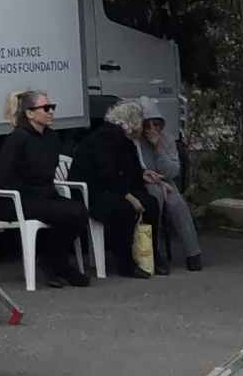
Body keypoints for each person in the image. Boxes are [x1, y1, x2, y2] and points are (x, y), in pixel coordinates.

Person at [0, 88, 91, 288]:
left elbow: (47, 173)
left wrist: (45, 191)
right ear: (30, 113)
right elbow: (5, 178)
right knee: (65, 213)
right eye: (45, 108)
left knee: (80, 211)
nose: (51, 111)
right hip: (17, 199)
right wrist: (34, 190)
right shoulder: (18, 138)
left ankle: (54, 261)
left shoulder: (52, 137)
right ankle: (56, 264)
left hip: (43, 195)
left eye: (51, 107)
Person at [71, 98, 157, 279]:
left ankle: (152, 253)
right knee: (124, 209)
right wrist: (129, 196)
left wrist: (142, 174)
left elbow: (129, 168)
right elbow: (106, 172)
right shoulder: (104, 138)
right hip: (93, 191)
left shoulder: (126, 140)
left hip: (112, 187)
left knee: (151, 203)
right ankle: (125, 262)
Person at [137, 98, 202, 272]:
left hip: (166, 181)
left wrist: (159, 148)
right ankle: (154, 251)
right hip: (146, 182)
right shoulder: (136, 141)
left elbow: (172, 171)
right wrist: (156, 180)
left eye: (156, 124)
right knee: (155, 198)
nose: (153, 128)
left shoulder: (167, 139)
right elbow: (139, 167)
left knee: (177, 204)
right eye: (147, 124)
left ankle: (193, 252)